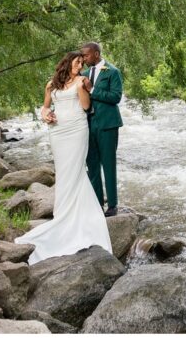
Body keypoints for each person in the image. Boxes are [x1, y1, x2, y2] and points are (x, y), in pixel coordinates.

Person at [15, 51, 111, 263]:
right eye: (78, 62)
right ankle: (62, 213)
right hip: (57, 131)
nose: (81, 66)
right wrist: (45, 115)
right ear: (67, 64)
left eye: (83, 63)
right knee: (63, 171)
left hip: (77, 129)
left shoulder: (81, 81)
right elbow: (45, 106)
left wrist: (86, 89)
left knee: (75, 170)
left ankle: (75, 215)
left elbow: (86, 107)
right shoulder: (51, 84)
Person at [80, 42, 124, 217]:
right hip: (88, 126)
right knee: (92, 165)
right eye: (82, 56)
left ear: (96, 54)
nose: (84, 59)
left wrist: (93, 90)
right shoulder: (83, 74)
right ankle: (97, 204)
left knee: (108, 164)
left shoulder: (113, 72)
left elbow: (115, 97)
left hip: (108, 124)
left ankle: (112, 205)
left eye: (86, 55)